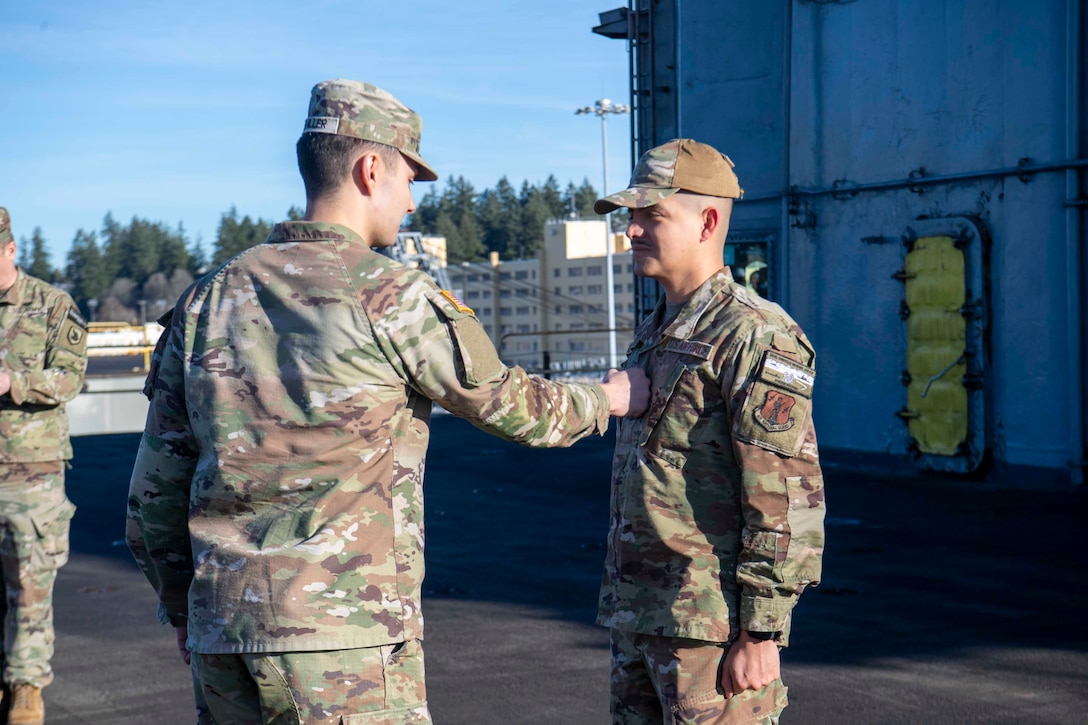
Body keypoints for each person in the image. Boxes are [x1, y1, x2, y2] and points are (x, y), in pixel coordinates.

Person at [126, 79, 649, 725]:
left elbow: (154, 493)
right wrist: (608, 397)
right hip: (340, 641)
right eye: (409, 178)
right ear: (370, 168)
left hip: (222, 633)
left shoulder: (207, 298)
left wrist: (183, 608)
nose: (409, 202)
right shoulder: (391, 296)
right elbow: (515, 406)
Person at [593, 139, 825, 724]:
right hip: (643, 614)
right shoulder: (656, 330)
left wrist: (763, 630)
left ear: (708, 221)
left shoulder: (755, 332)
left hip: (711, 628)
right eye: (631, 217)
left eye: (652, 215)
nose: (632, 231)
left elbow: (785, 494)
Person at [0, 207, 87, 725]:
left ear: (10, 250)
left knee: (30, 584)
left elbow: (70, 378)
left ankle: (27, 689)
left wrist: (14, 382)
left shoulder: (52, 305)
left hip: (31, 471)